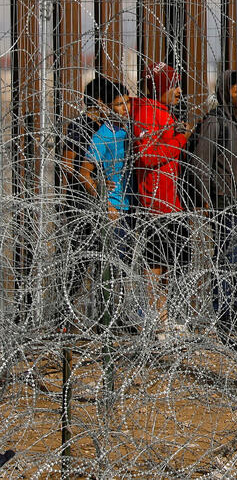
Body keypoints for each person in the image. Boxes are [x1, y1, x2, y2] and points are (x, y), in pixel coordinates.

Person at [185, 71, 237, 333]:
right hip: (224, 198)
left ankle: (234, 310)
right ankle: (223, 312)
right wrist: (205, 198)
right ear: (226, 91)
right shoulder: (216, 121)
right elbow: (200, 163)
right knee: (228, 256)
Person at [133, 62, 194, 336]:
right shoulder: (146, 112)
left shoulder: (163, 112)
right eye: (174, 86)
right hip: (156, 201)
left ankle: (164, 317)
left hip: (171, 200)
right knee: (156, 262)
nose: (179, 91)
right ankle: (155, 319)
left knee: (172, 260)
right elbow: (146, 156)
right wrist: (180, 139)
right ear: (160, 88)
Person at [78, 78, 133, 329]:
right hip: (113, 210)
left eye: (128, 103)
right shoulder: (103, 136)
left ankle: (118, 318)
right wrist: (102, 201)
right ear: (108, 107)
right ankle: (107, 321)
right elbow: (83, 171)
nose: (126, 109)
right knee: (109, 269)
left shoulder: (127, 132)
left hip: (128, 207)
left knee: (122, 268)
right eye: (120, 105)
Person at [58, 76, 110, 314]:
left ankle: (103, 314)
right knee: (78, 263)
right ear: (98, 102)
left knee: (104, 261)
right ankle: (64, 316)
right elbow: (67, 164)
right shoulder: (79, 126)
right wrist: (69, 197)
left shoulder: (106, 128)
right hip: (81, 202)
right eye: (108, 102)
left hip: (102, 200)